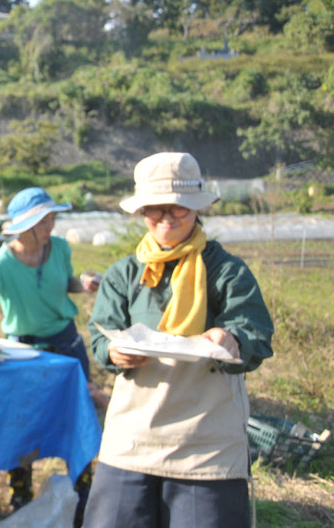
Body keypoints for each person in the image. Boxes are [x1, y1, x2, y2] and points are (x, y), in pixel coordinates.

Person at [82, 152, 274, 528]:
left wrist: (231, 339)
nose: (166, 219)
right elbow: (98, 338)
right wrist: (114, 351)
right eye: (155, 210)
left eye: (179, 209)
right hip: (133, 436)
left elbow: (256, 334)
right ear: (141, 212)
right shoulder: (125, 273)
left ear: (197, 209)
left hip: (206, 441)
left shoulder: (225, 271)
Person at [0, 187, 100, 518]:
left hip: (66, 343)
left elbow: (67, 281)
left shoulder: (61, 248)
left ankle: (84, 491)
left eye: (53, 218)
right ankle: (20, 492)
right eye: (46, 219)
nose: (52, 225)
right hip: (23, 350)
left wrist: (83, 285)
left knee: (77, 413)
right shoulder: (2, 262)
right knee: (21, 421)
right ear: (27, 226)